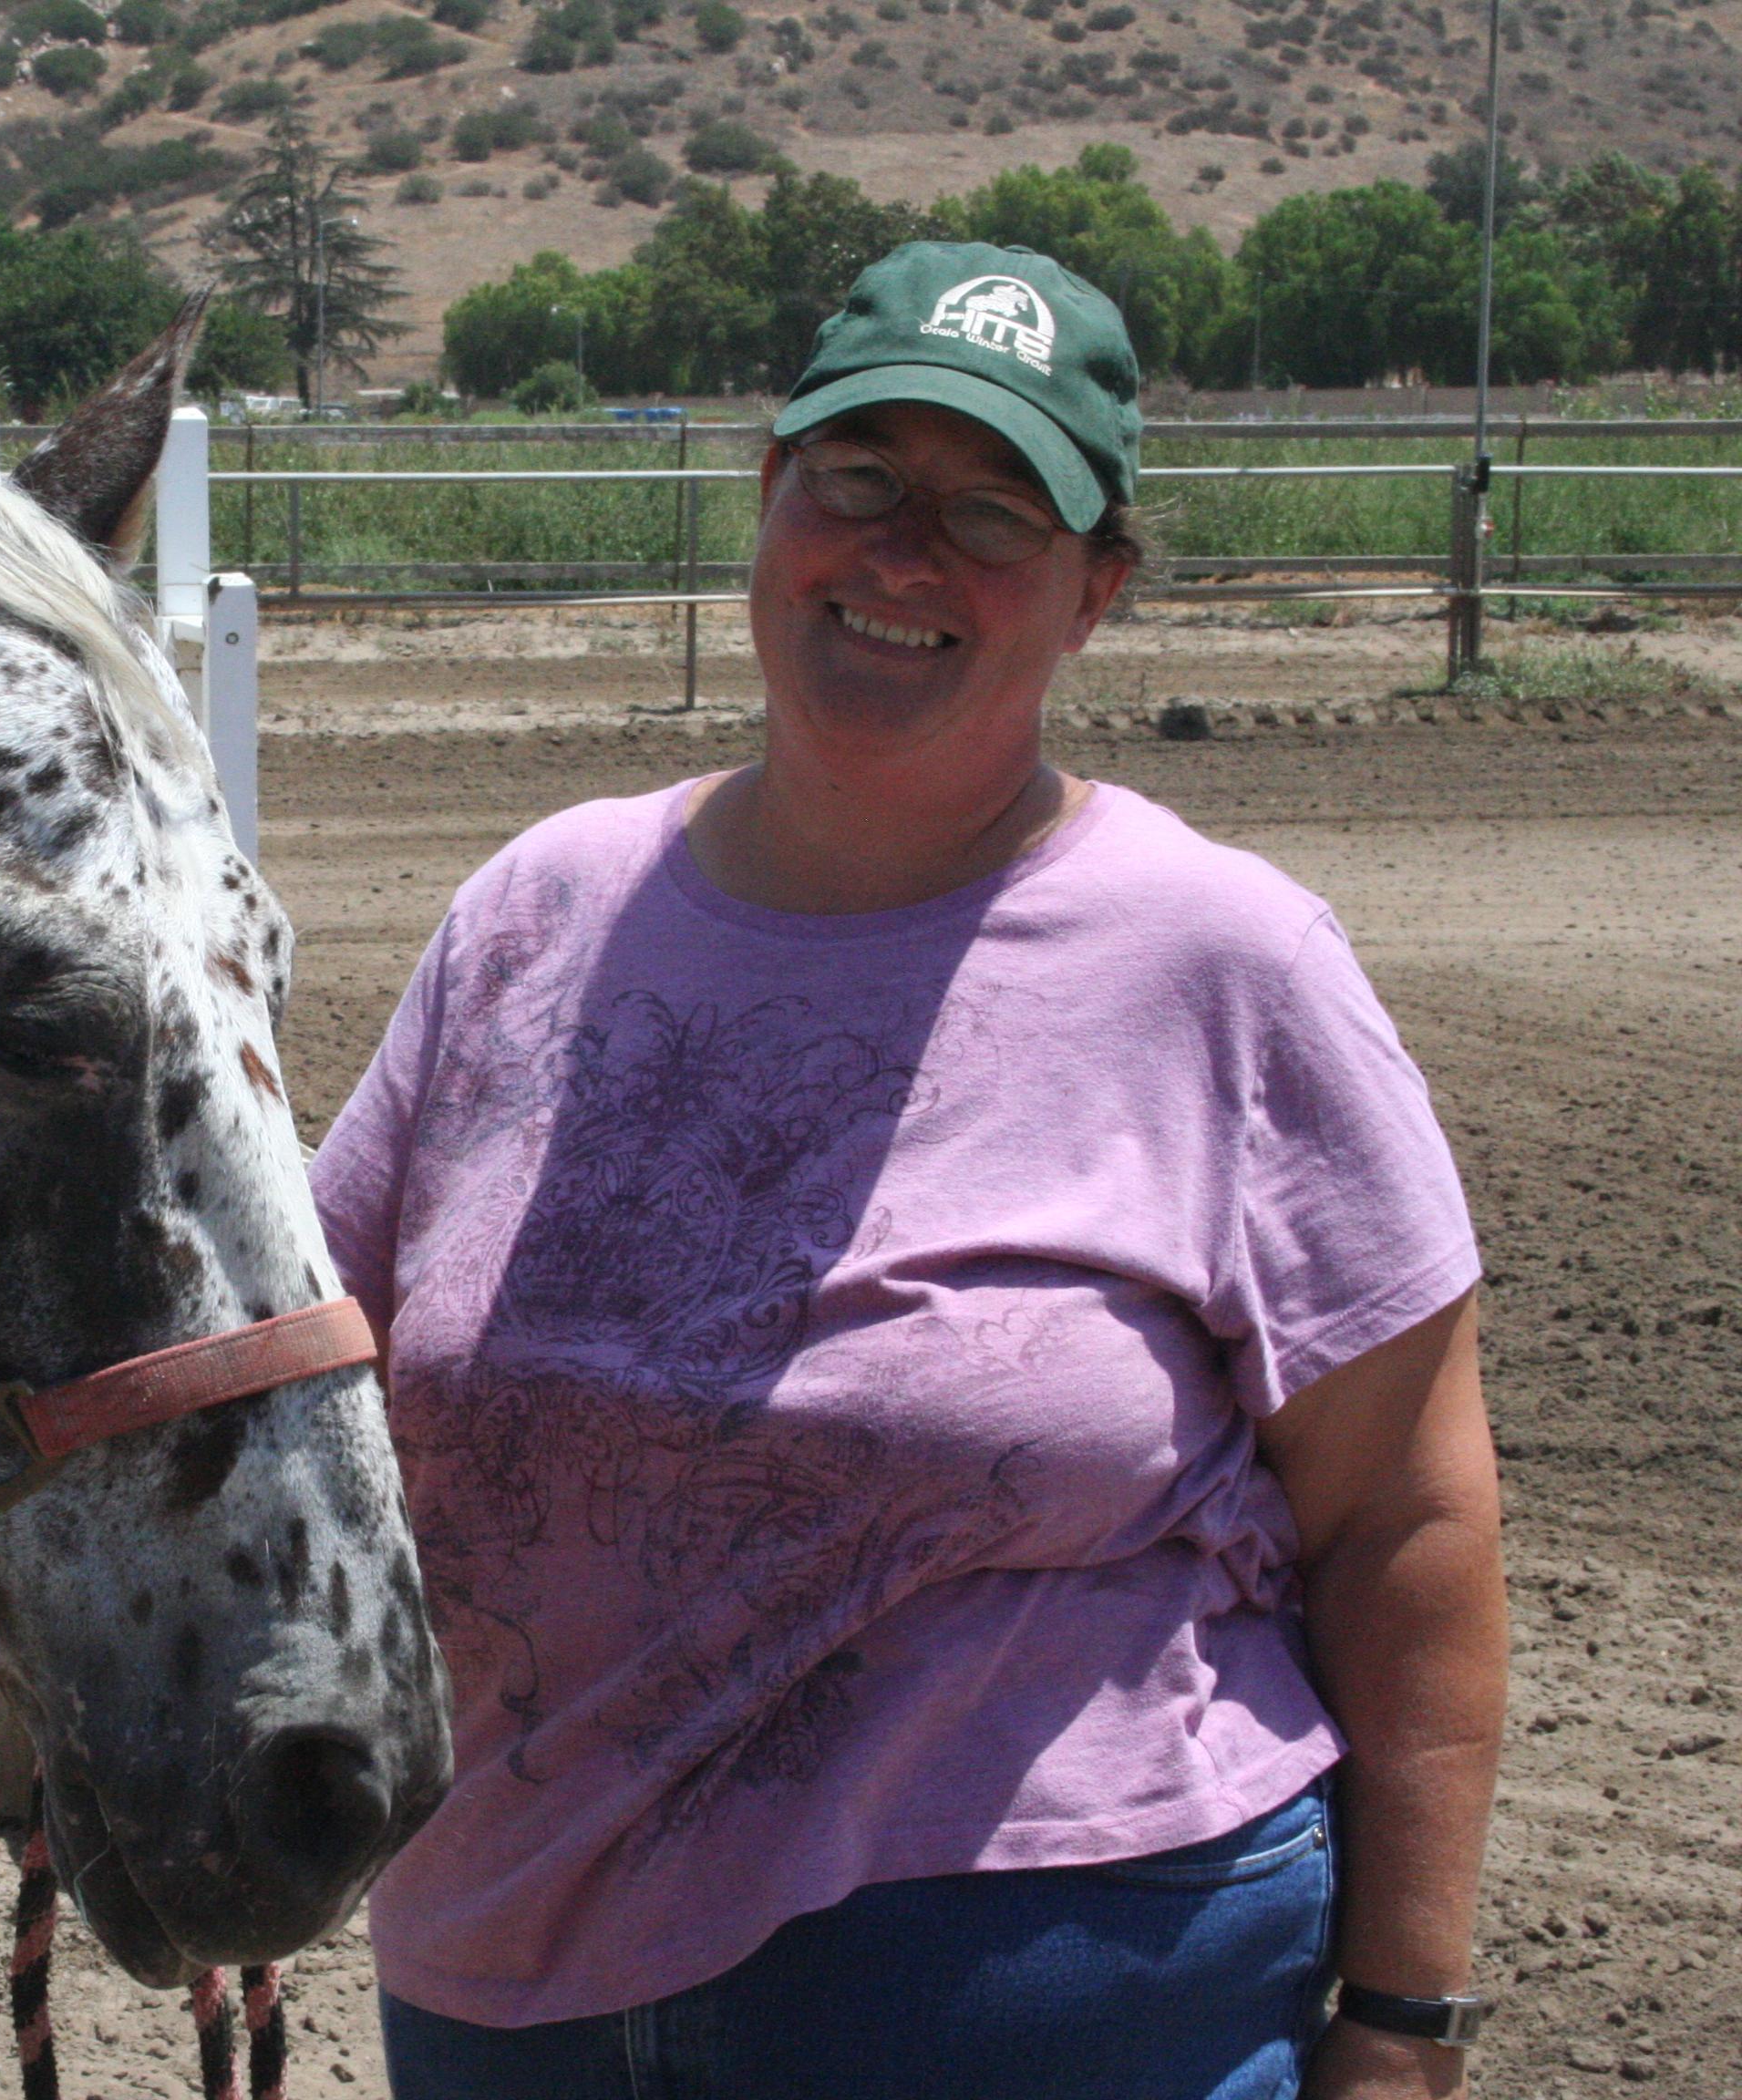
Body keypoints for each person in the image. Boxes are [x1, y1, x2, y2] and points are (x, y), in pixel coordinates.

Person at [310, 242, 1505, 2100]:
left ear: (1097, 590)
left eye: (991, 510)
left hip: (1047, 1994)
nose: (899, 554)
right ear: (767, 502)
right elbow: (304, 1352)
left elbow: (1407, 1522)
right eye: (857, 478)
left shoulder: (1222, 965)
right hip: (505, 1975)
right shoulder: (536, 913)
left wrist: (1403, 2022)